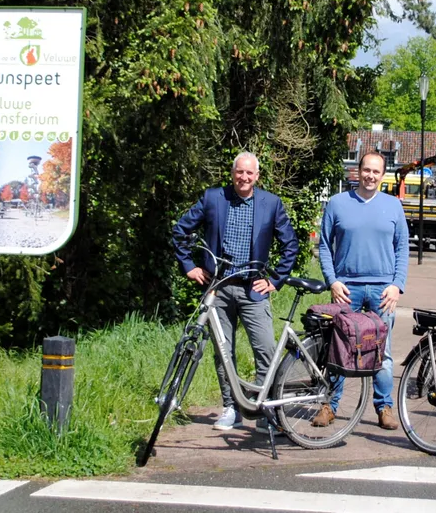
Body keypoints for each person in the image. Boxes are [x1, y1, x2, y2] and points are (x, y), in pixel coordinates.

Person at [173, 152, 299, 432]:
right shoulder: (213, 198)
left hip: (254, 289)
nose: (244, 178)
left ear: (257, 176)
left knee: (265, 349)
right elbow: (180, 231)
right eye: (239, 172)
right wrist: (189, 267)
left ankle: (266, 409)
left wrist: (276, 280)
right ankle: (231, 408)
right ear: (232, 173)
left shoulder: (271, 203)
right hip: (218, 289)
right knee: (223, 352)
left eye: (249, 173)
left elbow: (291, 244)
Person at [317, 151, 409, 430]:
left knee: (384, 351)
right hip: (347, 288)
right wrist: (332, 280)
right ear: (357, 172)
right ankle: (329, 405)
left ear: (383, 175)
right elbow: (323, 245)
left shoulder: (393, 206)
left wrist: (397, 285)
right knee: (339, 348)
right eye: (366, 170)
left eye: (376, 172)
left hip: (383, 290)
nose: (370, 176)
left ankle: (385, 407)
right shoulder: (337, 203)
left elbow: (403, 247)